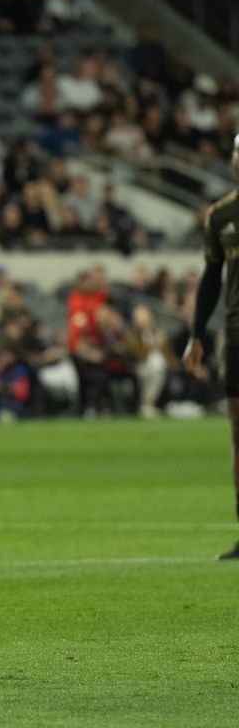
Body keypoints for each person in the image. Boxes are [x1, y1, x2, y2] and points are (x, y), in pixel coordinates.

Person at [185, 131, 239, 560]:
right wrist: (197, 335)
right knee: (238, 434)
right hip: (237, 330)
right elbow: (209, 280)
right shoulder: (221, 215)